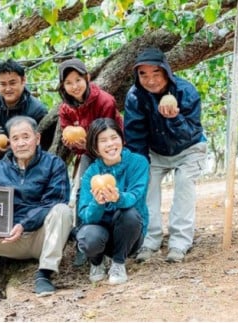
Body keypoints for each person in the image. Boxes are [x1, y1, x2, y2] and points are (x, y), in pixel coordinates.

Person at [0, 116, 73, 302]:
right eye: (15, 138)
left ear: (37, 138)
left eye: (25, 137)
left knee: (62, 210)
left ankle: (45, 274)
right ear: (9, 142)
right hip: (9, 239)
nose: (21, 143)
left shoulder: (54, 165)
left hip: (42, 237)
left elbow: (53, 201)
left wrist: (24, 223)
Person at [124, 48, 207, 263]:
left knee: (184, 183)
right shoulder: (135, 97)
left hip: (189, 149)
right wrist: (139, 168)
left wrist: (174, 118)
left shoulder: (185, 91)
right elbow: (135, 137)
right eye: (143, 74)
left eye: (155, 73)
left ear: (166, 72)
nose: (150, 80)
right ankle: (150, 239)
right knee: (146, 185)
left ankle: (180, 242)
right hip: (156, 152)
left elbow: (191, 132)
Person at [57, 58, 124, 266]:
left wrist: (85, 140)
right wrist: (72, 142)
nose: (74, 86)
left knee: (113, 188)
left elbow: (108, 134)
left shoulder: (105, 101)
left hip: (112, 149)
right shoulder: (65, 109)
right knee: (81, 192)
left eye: (78, 79)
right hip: (87, 152)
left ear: (87, 78)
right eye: (68, 82)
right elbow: (71, 140)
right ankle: (83, 239)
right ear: (63, 87)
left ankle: (117, 238)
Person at [76, 118, 149, 285]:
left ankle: (118, 263)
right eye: (103, 140)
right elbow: (86, 217)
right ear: (95, 147)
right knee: (88, 237)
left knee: (129, 214)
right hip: (100, 231)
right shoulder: (90, 174)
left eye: (114, 138)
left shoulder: (138, 163)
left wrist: (118, 198)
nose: (110, 144)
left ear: (122, 139)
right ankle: (96, 262)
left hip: (128, 234)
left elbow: (136, 197)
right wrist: (97, 203)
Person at [0, 59, 53, 170]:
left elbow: (45, 147)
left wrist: (14, 149)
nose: (8, 88)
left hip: (28, 171)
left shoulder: (37, 111)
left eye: (12, 83)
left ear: (23, 80)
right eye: (3, 84)